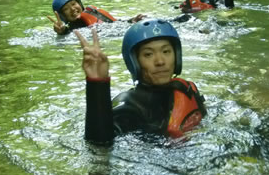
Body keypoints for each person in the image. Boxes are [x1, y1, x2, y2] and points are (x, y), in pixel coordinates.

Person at [74, 19, 207, 144]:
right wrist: (97, 83)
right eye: (148, 54)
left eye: (166, 51)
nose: (160, 61)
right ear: (134, 62)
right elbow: (100, 144)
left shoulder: (186, 89)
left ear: (176, 55)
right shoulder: (129, 106)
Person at [48, 0, 145, 35]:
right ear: (63, 16)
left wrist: (131, 21)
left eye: (73, 4)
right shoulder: (71, 29)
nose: (73, 9)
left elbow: (114, 23)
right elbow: (68, 31)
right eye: (66, 9)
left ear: (80, 4)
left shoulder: (92, 13)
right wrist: (62, 32)